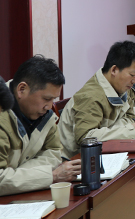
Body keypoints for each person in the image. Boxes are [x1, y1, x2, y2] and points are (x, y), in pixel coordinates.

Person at [0, 57, 81, 195]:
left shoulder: (45, 116)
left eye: (53, 100)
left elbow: (55, 152)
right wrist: (51, 176)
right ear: (22, 89)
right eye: (46, 99)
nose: (49, 106)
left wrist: (20, 175)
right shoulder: (2, 114)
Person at [59, 41, 135, 158]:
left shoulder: (121, 87)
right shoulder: (91, 96)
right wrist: (128, 131)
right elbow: (85, 138)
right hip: (74, 160)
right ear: (114, 70)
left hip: (104, 151)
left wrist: (110, 130)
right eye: (132, 75)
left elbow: (130, 117)